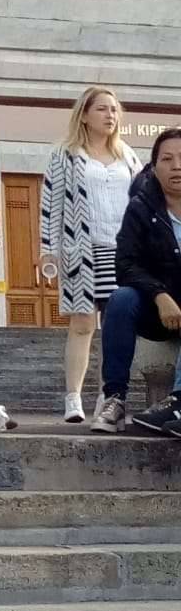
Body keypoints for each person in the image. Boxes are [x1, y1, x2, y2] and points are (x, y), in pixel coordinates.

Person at [39, 87, 141, 422]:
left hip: (122, 253)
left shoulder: (128, 157)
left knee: (115, 327)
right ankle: (73, 399)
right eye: (102, 109)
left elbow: (143, 202)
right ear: (84, 114)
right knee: (82, 324)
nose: (110, 115)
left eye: (114, 110)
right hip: (81, 250)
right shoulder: (65, 155)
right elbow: (50, 207)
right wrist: (48, 250)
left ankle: (108, 399)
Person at [90, 128, 181, 436]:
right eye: (167, 159)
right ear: (154, 168)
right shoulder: (141, 207)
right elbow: (125, 264)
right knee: (121, 299)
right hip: (156, 311)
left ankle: (178, 403)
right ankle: (114, 399)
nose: (177, 166)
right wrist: (159, 294)